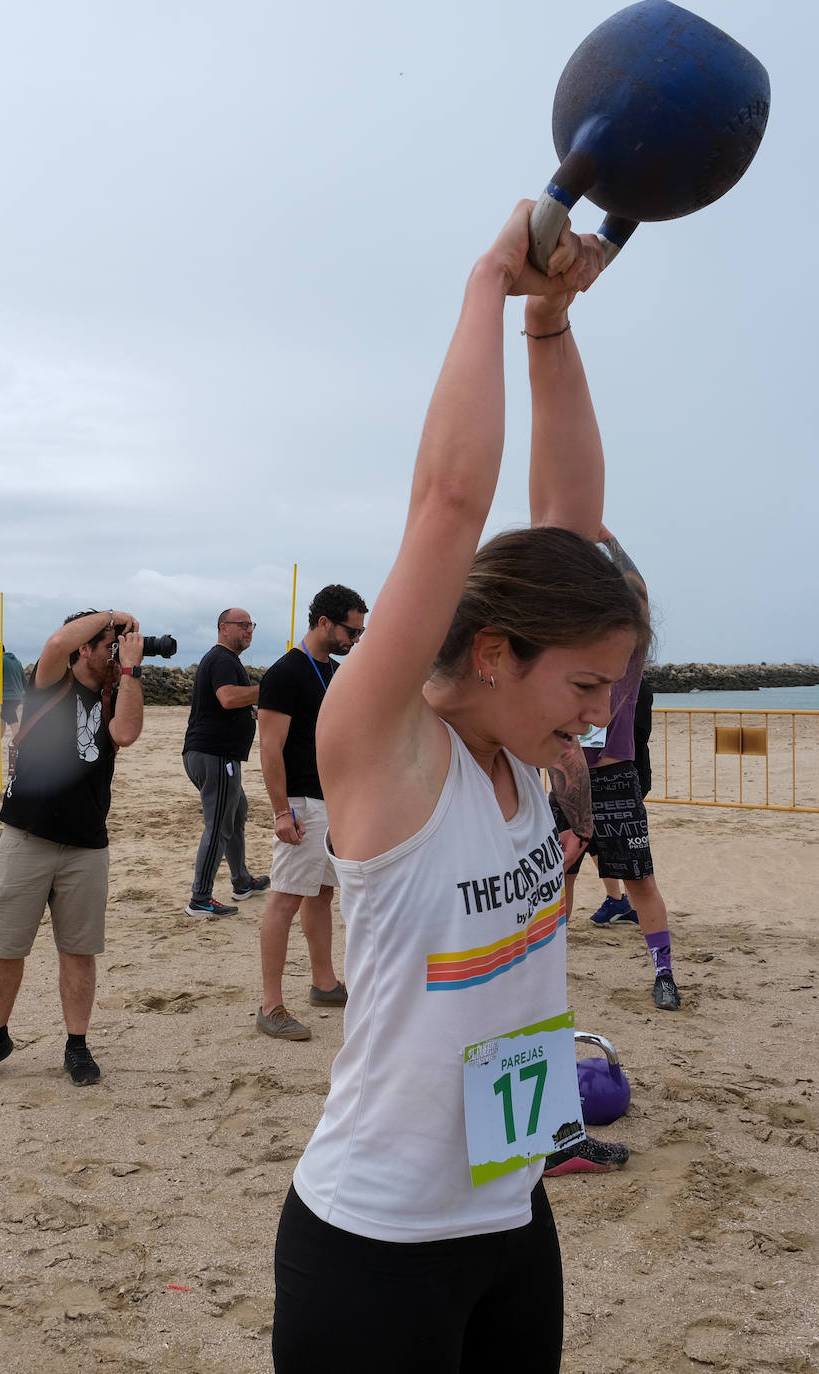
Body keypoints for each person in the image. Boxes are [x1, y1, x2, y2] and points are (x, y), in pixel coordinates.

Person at [270, 204, 646, 1373]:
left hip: (511, 1212)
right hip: (377, 1243)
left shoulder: (523, 760)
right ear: (493, 653)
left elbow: (568, 533)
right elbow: (449, 507)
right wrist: (488, 280)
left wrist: (550, 328)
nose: (600, 714)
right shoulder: (390, 753)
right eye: (585, 686)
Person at [0, 609, 144, 1086]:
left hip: (86, 844)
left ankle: (77, 1045)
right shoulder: (50, 680)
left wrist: (130, 670)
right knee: (6, 946)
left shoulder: (115, 695)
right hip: (27, 835)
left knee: (79, 951)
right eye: (107, 643)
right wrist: (110, 615)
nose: (113, 648)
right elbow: (55, 642)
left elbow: (125, 735)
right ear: (83, 646)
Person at [550, 533, 680, 1011]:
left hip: (615, 778)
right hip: (565, 780)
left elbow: (638, 595)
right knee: (556, 879)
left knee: (640, 880)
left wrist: (610, 541)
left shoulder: (623, 661)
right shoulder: (562, 661)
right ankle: (546, 973)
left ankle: (663, 973)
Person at [254, 584, 368, 1040]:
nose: (355, 639)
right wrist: (282, 811)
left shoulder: (336, 672)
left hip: (333, 800)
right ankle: (270, 1005)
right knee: (285, 898)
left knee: (321, 894)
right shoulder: (286, 672)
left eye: (360, 632)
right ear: (324, 622)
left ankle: (324, 983)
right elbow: (269, 747)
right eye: (350, 630)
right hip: (301, 802)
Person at [182, 609, 269, 918]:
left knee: (237, 813)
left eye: (251, 625)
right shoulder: (221, 658)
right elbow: (229, 698)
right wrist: (270, 688)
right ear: (223, 628)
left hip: (218, 756)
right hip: (214, 755)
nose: (249, 630)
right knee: (219, 823)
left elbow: (234, 706)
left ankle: (242, 881)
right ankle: (200, 898)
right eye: (243, 625)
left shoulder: (228, 660)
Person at [588, 676, 654, 925]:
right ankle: (617, 900)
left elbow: (638, 735)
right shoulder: (599, 683)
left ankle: (628, 902)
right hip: (596, 774)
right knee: (595, 840)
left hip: (627, 775)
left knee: (621, 847)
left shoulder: (637, 686)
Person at [0, 642, 27, 759]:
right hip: (17, 696)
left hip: (7, 697)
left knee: (13, 721)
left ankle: (20, 747)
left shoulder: (0, 660)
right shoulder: (17, 661)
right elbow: (24, 679)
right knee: (2, 722)